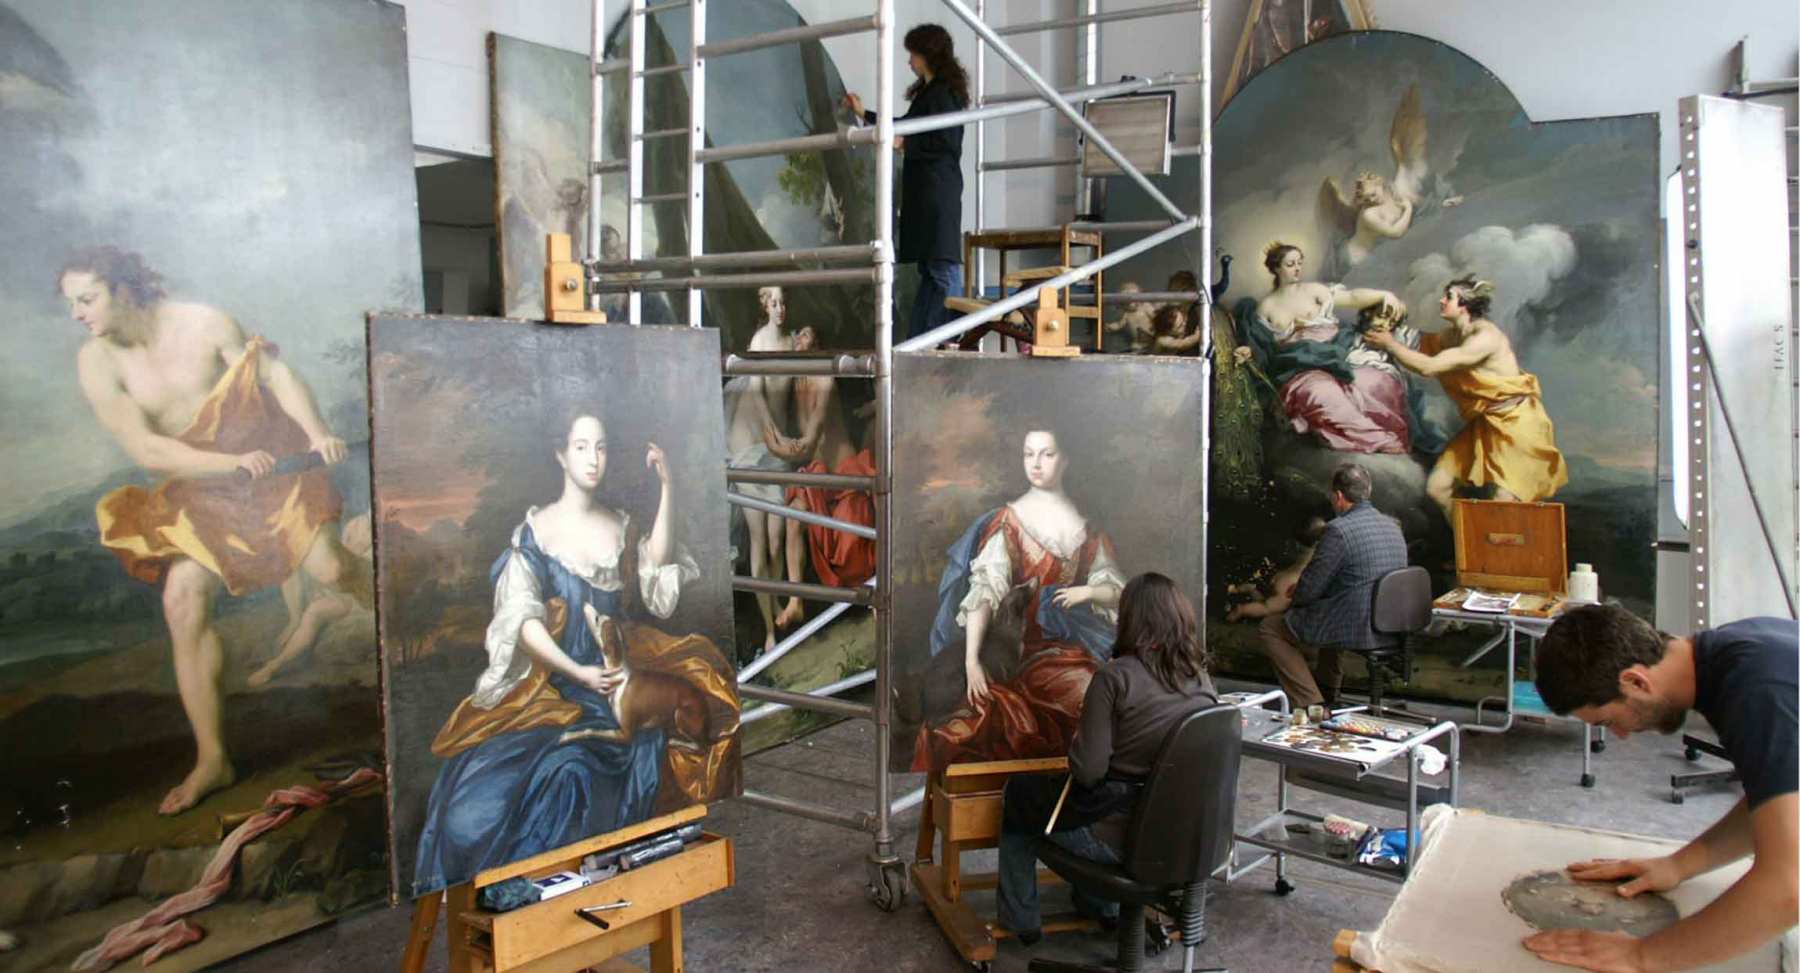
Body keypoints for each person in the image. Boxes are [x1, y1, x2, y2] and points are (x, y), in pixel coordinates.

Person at [62, 246, 361, 815]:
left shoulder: (204, 322)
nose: (77, 313)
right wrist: (228, 465)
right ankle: (213, 759)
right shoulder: (97, 361)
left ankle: (413, 625)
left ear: (123, 289)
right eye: (72, 303)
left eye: (87, 298)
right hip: (204, 484)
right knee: (181, 598)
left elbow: (275, 374)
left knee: (331, 568)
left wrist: (318, 432)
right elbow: (147, 449)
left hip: (276, 468)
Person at [412, 410, 737, 895]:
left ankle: (567, 895)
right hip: (554, 687)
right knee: (477, 790)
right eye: (581, 447)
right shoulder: (534, 535)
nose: (593, 459)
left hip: (617, 688)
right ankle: (516, 900)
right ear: (560, 455)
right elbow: (524, 623)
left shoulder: (620, 527)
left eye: (601, 447)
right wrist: (576, 671)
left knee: (571, 771)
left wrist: (668, 487)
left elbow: (658, 573)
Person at [1524, 605, 1797, 972]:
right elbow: (1779, 802)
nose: (1620, 735)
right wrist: (1679, 865)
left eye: (1609, 720)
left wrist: (1642, 956)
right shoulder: (1736, 652)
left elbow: (1788, 887)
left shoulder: (1757, 694)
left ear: (1636, 682)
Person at [994, 573, 1218, 943]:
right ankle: (1100, 907)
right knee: (1097, 802)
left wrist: (1080, 740)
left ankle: (1022, 921)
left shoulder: (1115, 677)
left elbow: (1088, 771)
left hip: (1119, 841)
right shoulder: (1201, 680)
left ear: (1130, 619)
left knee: (1020, 796)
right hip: (1183, 838)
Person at [915, 429, 1127, 772]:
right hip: (1010, 652)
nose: (1036, 463)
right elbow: (984, 594)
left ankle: (1078, 787)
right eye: (1029, 454)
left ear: (1066, 459)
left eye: (1047, 454)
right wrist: (971, 660)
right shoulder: (1008, 522)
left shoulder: (1088, 527)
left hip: (1066, 649)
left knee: (1095, 694)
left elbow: (1115, 588)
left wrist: (1088, 592)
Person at [1365, 275, 1568, 519]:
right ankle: (1468, 539)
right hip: (1487, 424)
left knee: (1503, 504)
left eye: (1448, 297)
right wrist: (1385, 326)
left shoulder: (1485, 338)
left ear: (1465, 305)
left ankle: (1490, 543)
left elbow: (1429, 367)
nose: (1441, 301)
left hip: (1517, 426)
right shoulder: (1454, 334)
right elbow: (1421, 341)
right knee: (1438, 488)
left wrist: (1390, 345)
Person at [1233, 242, 1428, 454]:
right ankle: (1380, 440)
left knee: (1374, 380)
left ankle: (1388, 438)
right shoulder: (1266, 306)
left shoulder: (1313, 290)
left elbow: (1352, 298)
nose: (1297, 268)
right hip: (1301, 363)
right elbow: (1261, 345)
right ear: (1276, 268)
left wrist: (1383, 296)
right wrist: (1249, 351)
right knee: (1318, 393)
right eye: (1290, 264)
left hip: (1339, 350)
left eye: (1299, 263)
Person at [843, 24, 969, 342]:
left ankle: (948, 340)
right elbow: (905, 127)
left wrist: (906, 144)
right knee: (931, 270)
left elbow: (946, 142)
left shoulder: (942, 93)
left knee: (942, 268)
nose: (909, 61)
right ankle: (921, 343)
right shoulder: (933, 92)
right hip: (928, 191)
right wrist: (865, 114)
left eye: (913, 54)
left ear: (926, 55)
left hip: (936, 192)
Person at [1256, 462, 1407, 709]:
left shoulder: (1338, 530)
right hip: (1390, 622)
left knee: (1271, 628)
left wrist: (1296, 594)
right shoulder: (1392, 526)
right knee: (1331, 612)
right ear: (1367, 491)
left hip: (1357, 624)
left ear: (1338, 496)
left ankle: (1311, 704)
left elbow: (1310, 588)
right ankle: (1328, 691)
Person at [762, 326, 877, 629]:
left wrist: (780, 447)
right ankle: (796, 601)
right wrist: (781, 446)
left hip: (843, 472)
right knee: (794, 515)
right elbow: (803, 446)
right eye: (797, 334)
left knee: (853, 545)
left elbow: (811, 437)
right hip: (817, 472)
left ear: (818, 344)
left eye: (806, 335)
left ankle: (874, 597)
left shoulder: (824, 377)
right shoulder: (794, 383)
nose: (798, 338)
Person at [723, 286, 797, 655]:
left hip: (776, 449)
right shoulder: (759, 342)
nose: (780, 309)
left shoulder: (791, 343)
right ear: (765, 306)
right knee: (759, 539)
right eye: (774, 303)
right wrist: (772, 434)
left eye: (784, 303)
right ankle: (769, 629)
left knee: (777, 538)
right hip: (752, 448)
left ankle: (780, 601)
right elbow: (759, 397)